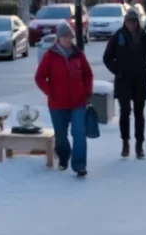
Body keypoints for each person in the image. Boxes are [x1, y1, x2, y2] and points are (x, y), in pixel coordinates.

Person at [35, 21, 94, 177]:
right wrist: (50, 92)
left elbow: (88, 74)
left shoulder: (78, 54)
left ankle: (80, 165)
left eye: (70, 36)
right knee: (61, 137)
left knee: (79, 133)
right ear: (58, 38)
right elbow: (40, 77)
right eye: (65, 37)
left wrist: (87, 92)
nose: (69, 39)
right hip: (57, 103)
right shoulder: (50, 55)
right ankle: (63, 156)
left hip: (78, 102)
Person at [103, 8, 146, 159]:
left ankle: (139, 145)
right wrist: (118, 71)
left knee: (139, 114)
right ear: (125, 22)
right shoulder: (118, 36)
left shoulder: (143, 37)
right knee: (125, 113)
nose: (131, 25)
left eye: (133, 22)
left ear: (137, 22)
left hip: (140, 81)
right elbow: (107, 58)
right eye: (128, 22)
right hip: (123, 81)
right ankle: (125, 143)